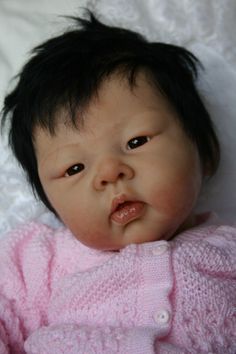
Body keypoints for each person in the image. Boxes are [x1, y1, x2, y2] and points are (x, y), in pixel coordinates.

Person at [0, 11, 235, 354]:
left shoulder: (227, 253)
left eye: (137, 142)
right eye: (74, 168)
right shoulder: (39, 261)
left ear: (206, 151)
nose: (110, 173)